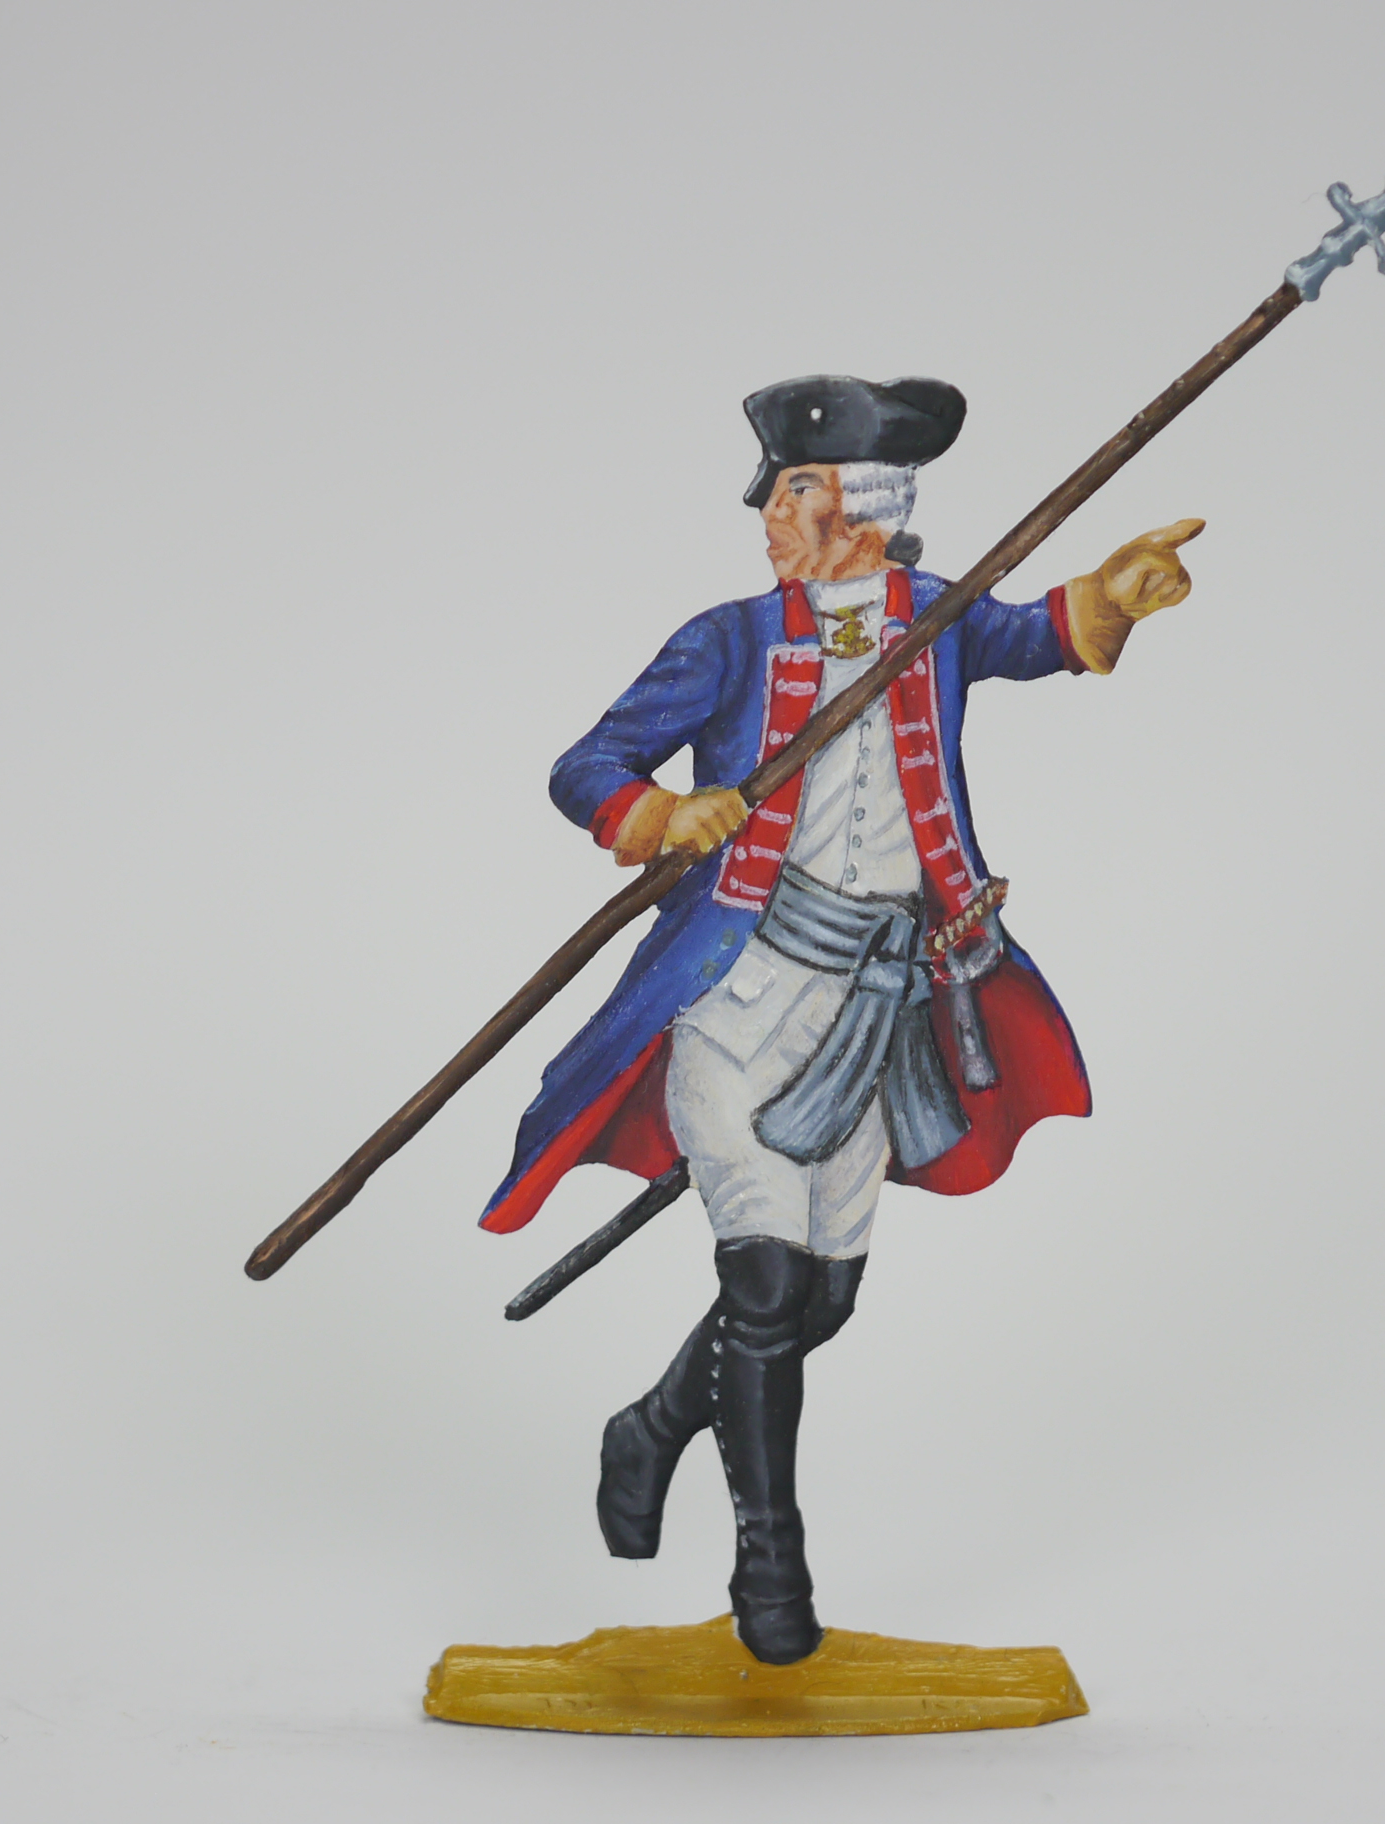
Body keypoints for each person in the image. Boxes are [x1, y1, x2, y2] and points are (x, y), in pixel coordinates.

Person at [477, 374, 1202, 1663]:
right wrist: (661, 814)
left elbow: (1038, 632)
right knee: (762, 1290)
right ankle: (771, 1564)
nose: (771, 513)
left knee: (822, 1300)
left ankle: (652, 1424)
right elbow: (588, 766)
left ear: (863, 508)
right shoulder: (730, 640)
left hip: (881, 1002)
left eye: (795, 490)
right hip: (741, 993)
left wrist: (1111, 595)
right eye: (776, 491)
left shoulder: (938, 619)